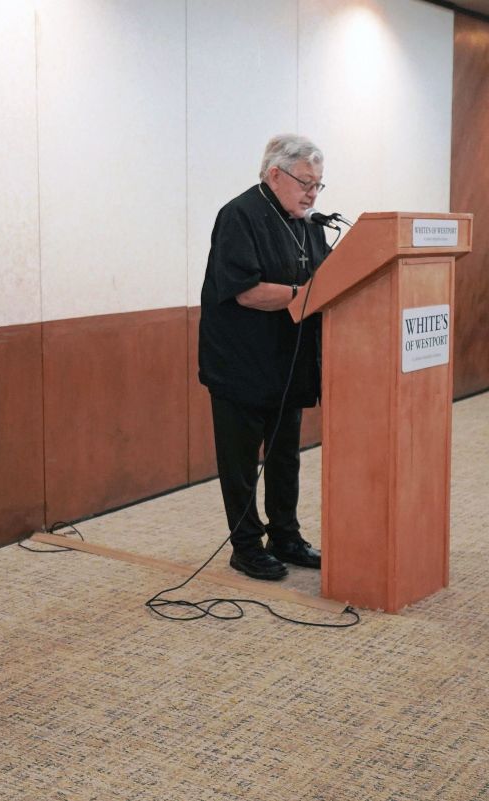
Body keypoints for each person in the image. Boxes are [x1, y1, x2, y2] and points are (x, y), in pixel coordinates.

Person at [198, 134, 331, 581]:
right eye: (306, 182)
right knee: (240, 463)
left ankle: (286, 537)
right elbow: (247, 292)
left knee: (284, 457)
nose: (312, 194)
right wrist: (304, 294)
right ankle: (246, 546)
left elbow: (331, 277)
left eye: (318, 184)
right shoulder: (240, 215)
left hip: (288, 363)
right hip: (239, 364)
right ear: (275, 174)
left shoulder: (309, 224)